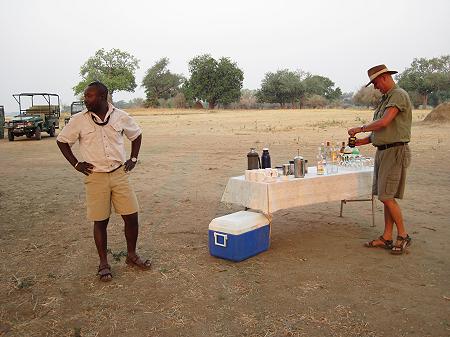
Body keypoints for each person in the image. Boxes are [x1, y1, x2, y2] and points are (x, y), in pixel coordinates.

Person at [56, 81, 151, 281]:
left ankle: (131, 255)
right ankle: (103, 263)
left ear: (102, 97)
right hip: (95, 177)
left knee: (131, 217)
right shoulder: (78, 120)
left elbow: (136, 134)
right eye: (85, 96)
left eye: (89, 96)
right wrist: (76, 164)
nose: (85, 99)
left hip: (119, 174)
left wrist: (133, 158)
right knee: (100, 221)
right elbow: (62, 141)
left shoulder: (121, 116)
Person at [348, 64, 412, 255]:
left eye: (376, 83)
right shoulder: (387, 98)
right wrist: (361, 142)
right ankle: (386, 236)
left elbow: (384, 122)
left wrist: (360, 128)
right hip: (383, 151)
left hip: (394, 151)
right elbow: (382, 130)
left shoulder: (398, 95)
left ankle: (403, 235)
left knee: (386, 196)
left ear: (384, 77)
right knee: (386, 196)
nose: (376, 87)